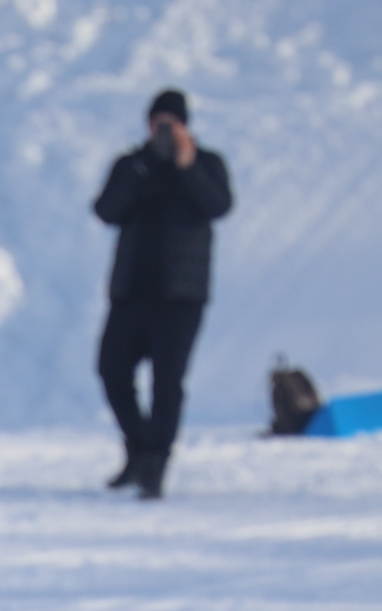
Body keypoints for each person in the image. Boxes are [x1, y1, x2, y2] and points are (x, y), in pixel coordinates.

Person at [93, 89, 232, 501]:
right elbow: (106, 210)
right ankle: (137, 449)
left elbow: (219, 205)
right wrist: (143, 166)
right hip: (132, 290)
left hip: (182, 294)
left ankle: (157, 463)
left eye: (173, 123)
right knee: (112, 369)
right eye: (159, 123)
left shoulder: (207, 164)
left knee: (167, 381)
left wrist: (187, 167)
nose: (165, 131)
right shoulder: (132, 165)